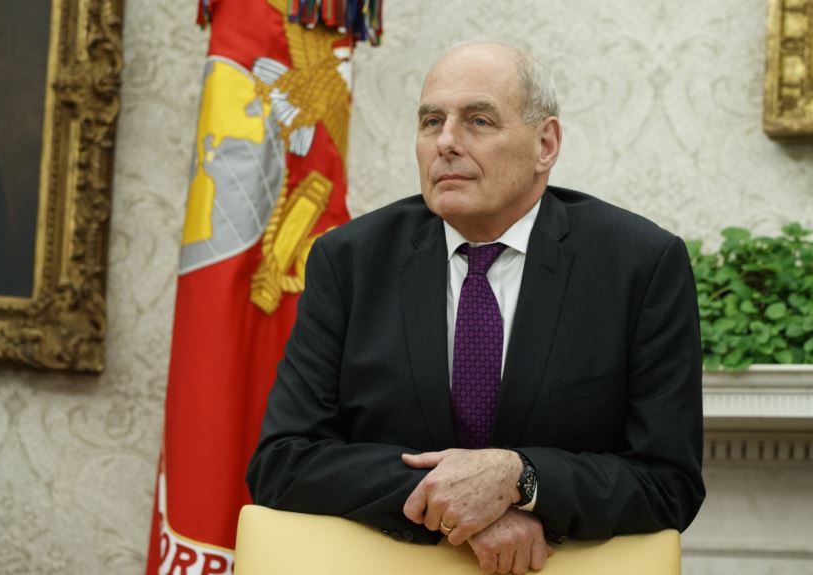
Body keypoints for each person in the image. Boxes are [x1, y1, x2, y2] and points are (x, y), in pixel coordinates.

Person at [247, 41, 705, 574]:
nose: (445, 142)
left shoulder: (638, 265)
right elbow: (283, 461)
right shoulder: (348, 261)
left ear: (546, 144)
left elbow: (668, 483)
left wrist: (521, 478)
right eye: (431, 122)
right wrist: (461, 500)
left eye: (478, 121)